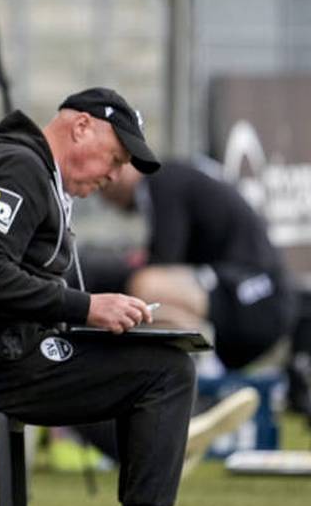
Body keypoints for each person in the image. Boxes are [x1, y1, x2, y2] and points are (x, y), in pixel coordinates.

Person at [0, 87, 244, 506]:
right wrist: (88, 307)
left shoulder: (32, 169)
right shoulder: (19, 169)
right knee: (167, 371)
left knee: (155, 361)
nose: (115, 175)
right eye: (115, 158)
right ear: (81, 127)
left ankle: (158, 477)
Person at [97, 159, 296, 370]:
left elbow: (163, 262)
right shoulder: (172, 180)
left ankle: (201, 364)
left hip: (259, 298)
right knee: (147, 297)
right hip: (249, 296)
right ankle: (199, 363)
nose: (102, 193)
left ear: (126, 164)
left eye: (102, 183)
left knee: (147, 286)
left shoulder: (163, 180)